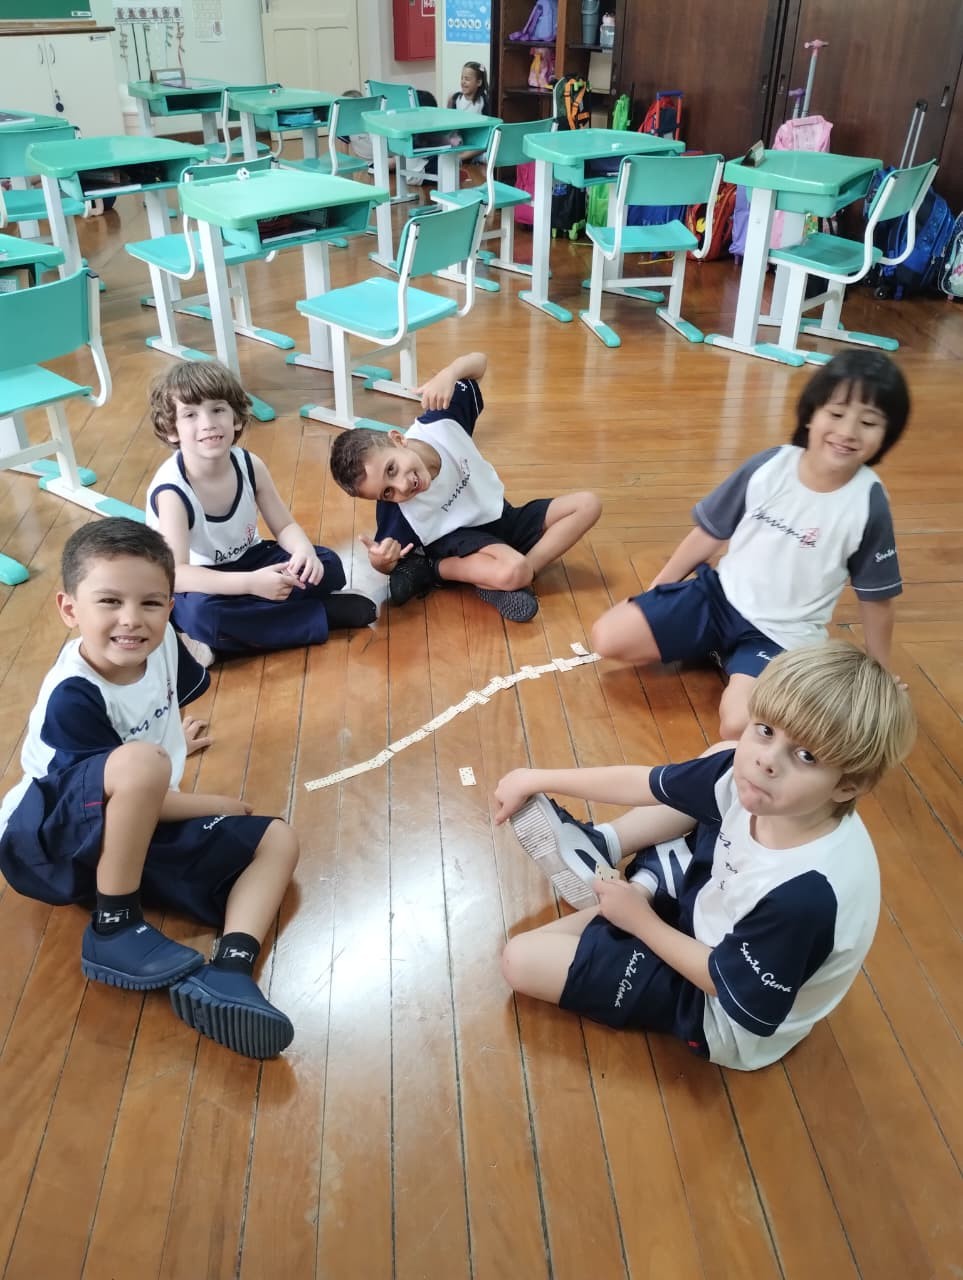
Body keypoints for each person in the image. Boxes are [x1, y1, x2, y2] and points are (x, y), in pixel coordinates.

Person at [492, 641, 916, 1071]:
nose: (766, 761)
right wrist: (534, 778)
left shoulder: (805, 897)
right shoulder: (760, 784)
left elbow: (722, 983)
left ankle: (652, 882)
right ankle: (627, 858)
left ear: (847, 786)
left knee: (519, 960)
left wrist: (640, 921)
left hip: (716, 1010)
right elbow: (646, 783)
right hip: (711, 911)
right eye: (765, 729)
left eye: (806, 756)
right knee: (719, 761)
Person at [0, 519, 300, 1059]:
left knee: (277, 838)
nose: (132, 620)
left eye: (152, 603)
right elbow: (122, 786)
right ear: (69, 609)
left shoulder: (160, 649)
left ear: (170, 606)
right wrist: (212, 801)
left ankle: (231, 969)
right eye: (110, 601)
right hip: (45, 843)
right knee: (145, 765)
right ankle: (113, 927)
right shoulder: (72, 695)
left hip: (127, 831)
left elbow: (142, 730)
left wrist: (170, 739)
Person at [590, 350, 910, 738]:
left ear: (886, 435)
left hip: (780, 635)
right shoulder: (770, 466)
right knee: (607, 638)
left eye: (868, 422)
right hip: (716, 599)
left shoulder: (869, 503)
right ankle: (715, 647)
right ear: (811, 413)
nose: (848, 431)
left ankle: (732, 657)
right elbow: (710, 532)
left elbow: (876, 599)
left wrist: (879, 674)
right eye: (837, 413)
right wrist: (659, 590)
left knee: (739, 724)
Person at [328, 352, 601, 622]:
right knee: (514, 569)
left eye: (392, 468)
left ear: (398, 439)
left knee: (588, 505)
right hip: (461, 540)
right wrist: (381, 562)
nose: (402, 486)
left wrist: (450, 373)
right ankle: (436, 569)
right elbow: (390, 559)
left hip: (501, 515)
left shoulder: (442, 421)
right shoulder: (396, 510)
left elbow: (480, 361)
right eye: (387, 492)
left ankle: (510, 578)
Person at [146, 360, 375, 665]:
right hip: (198, 583)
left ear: (236, 418)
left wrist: (303, 551)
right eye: (191, 414)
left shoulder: (249, 464)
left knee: (328, 565)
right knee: (205, 616)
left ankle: (233, 637)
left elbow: (284, 527)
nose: (208, 423)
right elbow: (176, 575)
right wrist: (251, 584)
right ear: (171, 430)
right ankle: (321, 615)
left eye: (217, 409)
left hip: (250, 559)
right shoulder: (173, 492)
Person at [447, 62, 490, 165]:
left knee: (488, 150)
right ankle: (460, 158)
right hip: (461, 139)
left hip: (477, 142)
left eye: (467, 79)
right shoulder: (456, 98)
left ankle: (464, 158)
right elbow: (450, 122)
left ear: (479, 82)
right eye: (462, 78)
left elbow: (489, 127)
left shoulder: (483, 101)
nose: (463, 82)